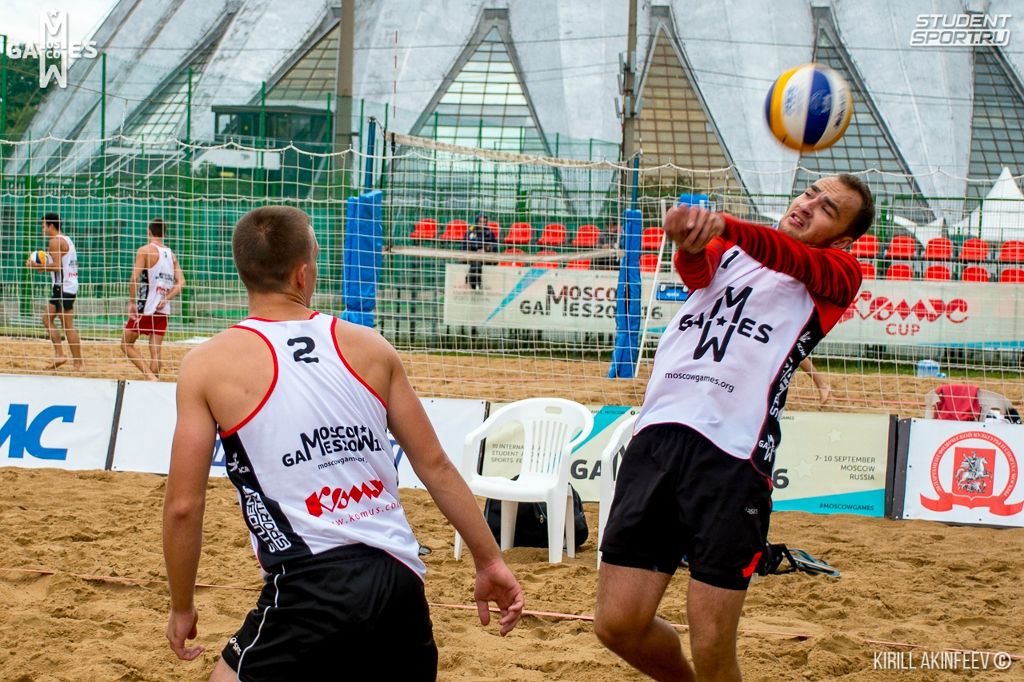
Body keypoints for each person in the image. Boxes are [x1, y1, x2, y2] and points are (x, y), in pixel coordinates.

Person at [163, 205, 524, 680]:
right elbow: (434, 464)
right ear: (302, 273)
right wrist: (490, 559)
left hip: (308, 580)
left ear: (242, 271)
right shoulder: (370, 346)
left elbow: (184, 506)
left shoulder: (207, 364)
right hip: (398, 576)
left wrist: (182, 605)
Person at [594, 174, 874, 681]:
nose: (809, 205)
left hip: (732, 455)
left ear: (843, 239)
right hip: (658, 433)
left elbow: (791, 257)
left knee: (713, 646)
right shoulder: (734, 249)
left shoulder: (839, 271)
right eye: (810, 192)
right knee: (617, 626)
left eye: (827, 208)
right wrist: (689, 241)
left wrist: (724, 225)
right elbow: (696, 274)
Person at [122, 218, 185, 380]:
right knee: (155, 350)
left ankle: (150, 377)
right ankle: (153, 383)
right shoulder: (171, 255)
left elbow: (134, 278)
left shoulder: (145, 250)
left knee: (126, 344)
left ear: (149, 232)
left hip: (147, 307)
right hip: (163, 309)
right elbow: (181, 283)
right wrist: (167, 298)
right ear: (164, 234)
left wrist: (131, 302)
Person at [25, 212, 83, 370]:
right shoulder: (66, 239)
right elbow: (59, 265)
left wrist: (37, 266)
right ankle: (60, 355)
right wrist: (44, 265)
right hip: (64, 286)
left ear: (51, 225)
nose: (42, 229)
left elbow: (57, 266)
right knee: (46, 319)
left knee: (68, 325)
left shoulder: (54, 241)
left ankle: (78, 363)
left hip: (64, 287)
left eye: (43, 225)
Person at [464, 213, 497, 289]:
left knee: (477, 263)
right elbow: (465, 246)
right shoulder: (470, 232)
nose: (482, 224)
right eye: (480, 222)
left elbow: (495, 247)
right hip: (472, 256)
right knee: (476, 263)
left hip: (486, 257)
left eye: (484, 222)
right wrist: (474, 251)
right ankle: (477, 285)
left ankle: (472, 283)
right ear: (476, 222)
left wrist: (486, 249)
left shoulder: (490, 233)